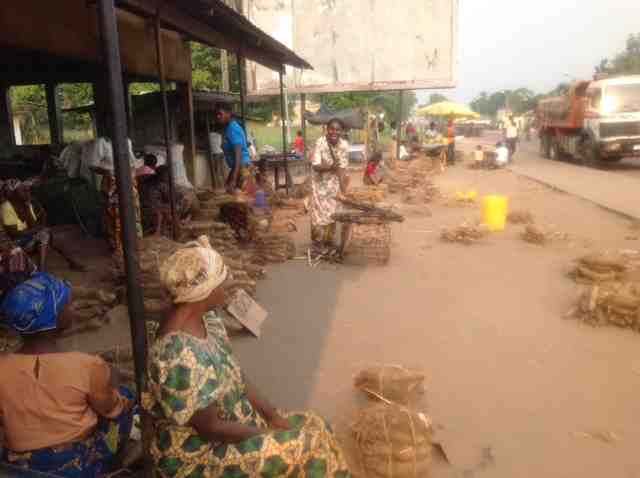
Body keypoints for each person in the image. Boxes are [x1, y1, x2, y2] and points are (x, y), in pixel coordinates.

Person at [142, 237, 351, 477]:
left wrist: (272, 415)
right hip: (199, 455)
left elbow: (236, 374)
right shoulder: (176, 356)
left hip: (234, 426)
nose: (229, 283)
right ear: (205, 291)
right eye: (222, 279)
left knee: (316, 425)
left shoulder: (208, 320)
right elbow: (210, 428)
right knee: (306, 445)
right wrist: (269, 435)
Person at [0, 272, 136, 478]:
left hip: (19, 466)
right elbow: (110, 408)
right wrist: (111, 383)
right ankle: (109, 466)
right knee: (125, 400)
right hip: (75, 465)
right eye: (67, 305)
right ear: (54, 318)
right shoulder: (85, 365)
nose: (71, 309)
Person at [1, 180, 83, 271]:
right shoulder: (6, 207)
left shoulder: (26, 205)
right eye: (23, 191)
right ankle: (45, 269)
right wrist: (39, 229)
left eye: (28, 191)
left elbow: (34, 225)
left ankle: (49, 268)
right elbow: (15, 234)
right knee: (45, 234)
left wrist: (28, 208)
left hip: (27, 239)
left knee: (47, 235)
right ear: (14, 194)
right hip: (15, 244)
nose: (28, 193)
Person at [309, 118, 349, 255]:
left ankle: (329, 241)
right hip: (319, 184)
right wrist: (330, 167)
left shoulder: (344, 145)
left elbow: (342, 170)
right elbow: (315, 165)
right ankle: (317, 244)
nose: (334, 132)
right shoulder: (320, 142)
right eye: (331, 128)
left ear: (341, 131)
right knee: (318, 214)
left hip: (333, 185)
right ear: (327, 129)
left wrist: (344, 191)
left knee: (333, 213)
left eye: (337, 129)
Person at [216, 103, 254, 194]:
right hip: (240, 167)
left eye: (220, 114)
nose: (218, 116)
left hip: (242, 167)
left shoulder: (232, 129)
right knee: (231, 193)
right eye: (217, 114)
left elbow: (238, 154)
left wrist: (233, 178)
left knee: (238, 198)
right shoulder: (229, 128)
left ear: (228, 113)